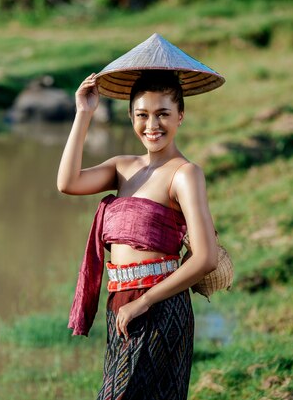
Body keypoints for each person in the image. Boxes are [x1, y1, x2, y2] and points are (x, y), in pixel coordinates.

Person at [57, 34, 224, 400]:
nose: (153, 125)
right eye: (142, 115)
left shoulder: (185, 173)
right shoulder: (122, 167)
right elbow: (67, 183)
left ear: (181, 115)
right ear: (131, 117)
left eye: (163, 114)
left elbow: (206, 258)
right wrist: (83, 114)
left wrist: (145, 302)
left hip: (160, 305)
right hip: (120, 303)